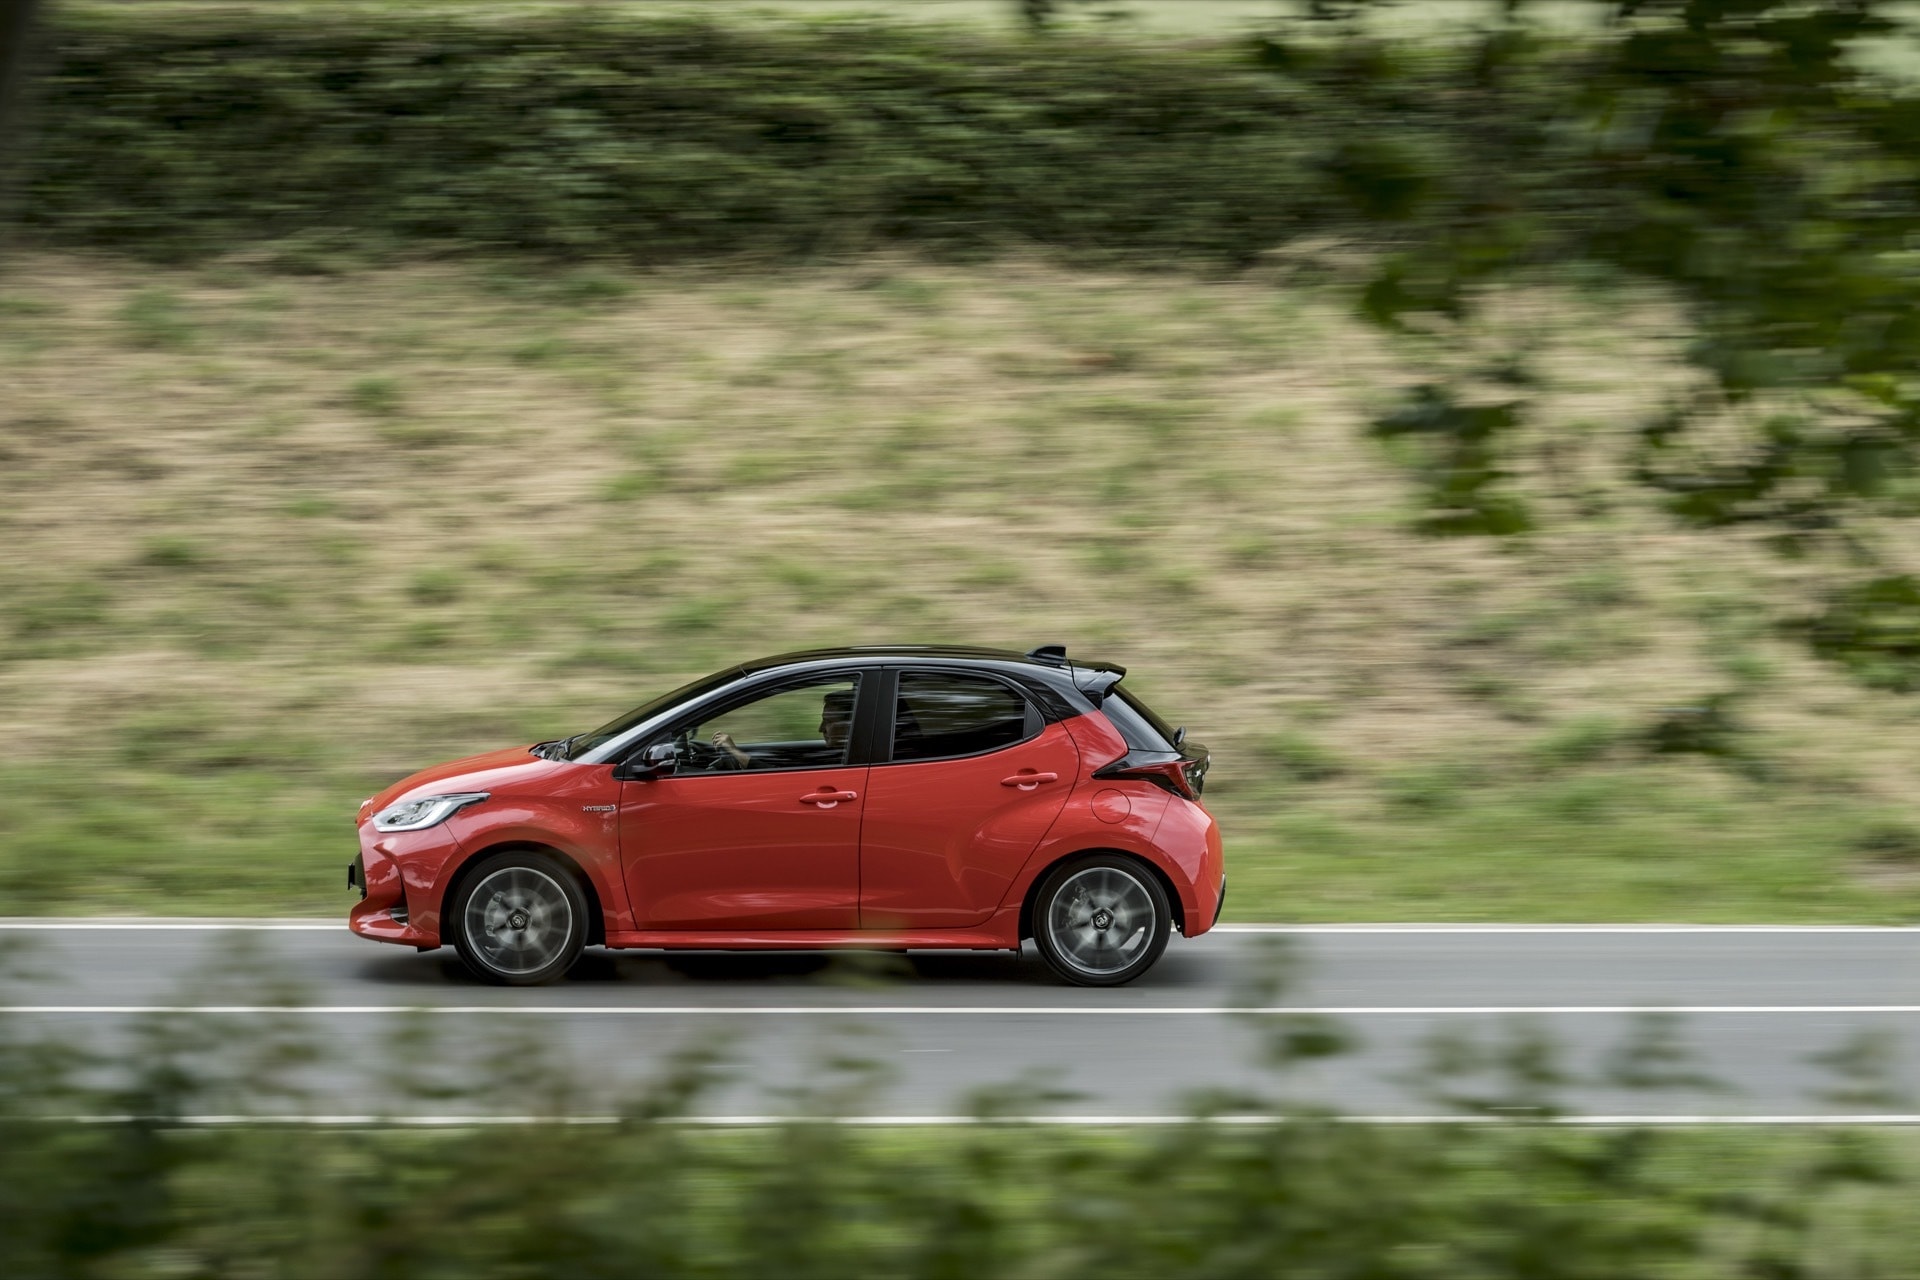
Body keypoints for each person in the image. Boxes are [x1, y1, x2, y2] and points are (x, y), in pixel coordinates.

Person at [710, 686, 855, 769]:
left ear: (849, 725)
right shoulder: (840, 755)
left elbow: (782, 780)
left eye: (828, 722)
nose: (820, 729)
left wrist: (735, 753)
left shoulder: (846, 762)